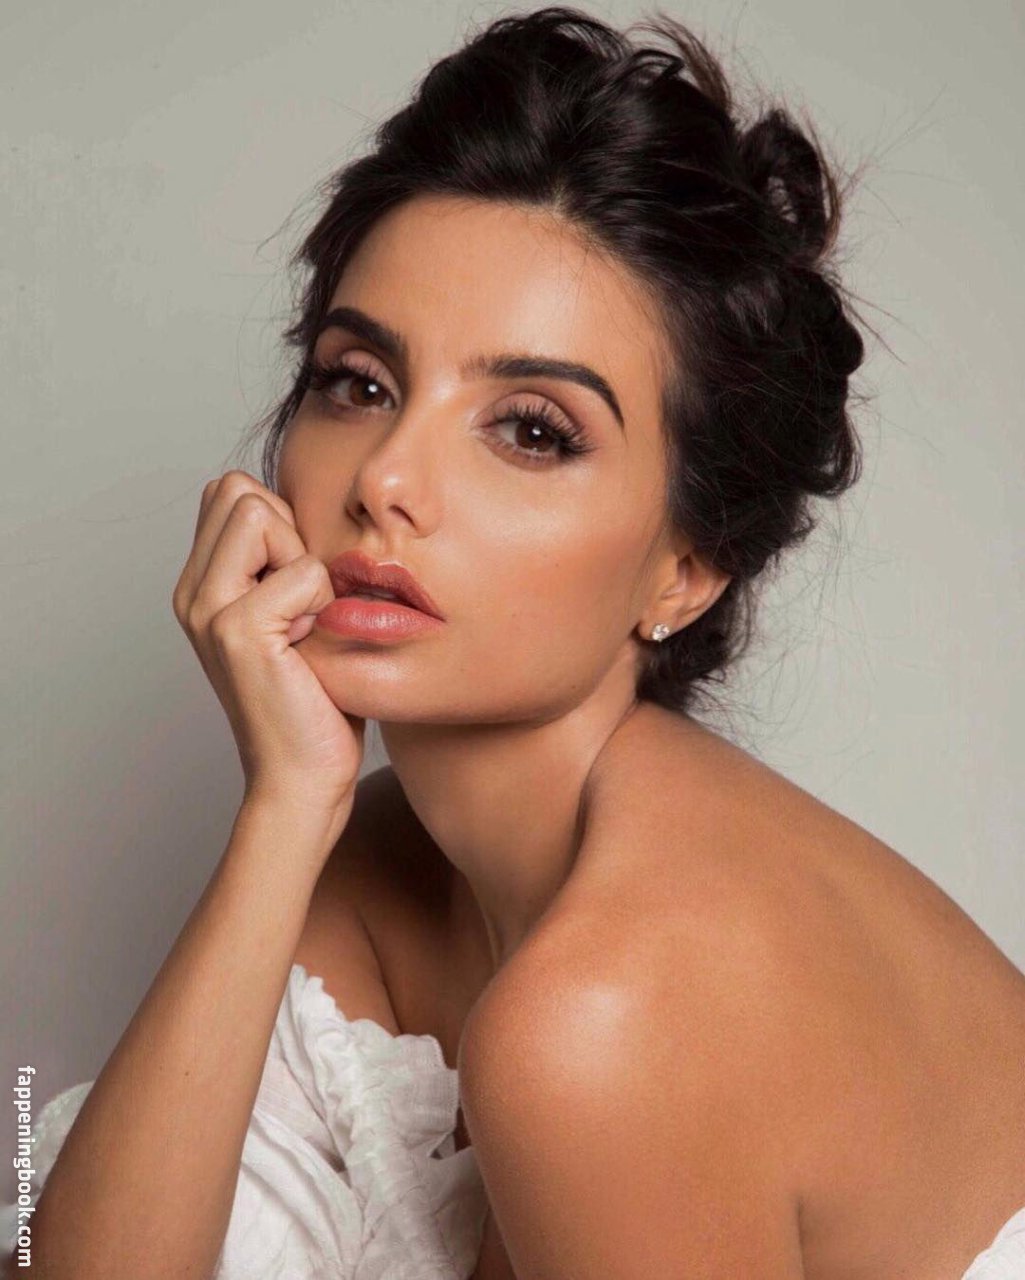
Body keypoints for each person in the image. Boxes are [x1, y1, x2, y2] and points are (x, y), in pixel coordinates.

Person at [4, 6, 1024, 1278]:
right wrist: (285, 805)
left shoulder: (610, 1007)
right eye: (357, 382)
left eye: (531, 429)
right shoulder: (369, 871)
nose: (385, 478)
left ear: (685, 567)